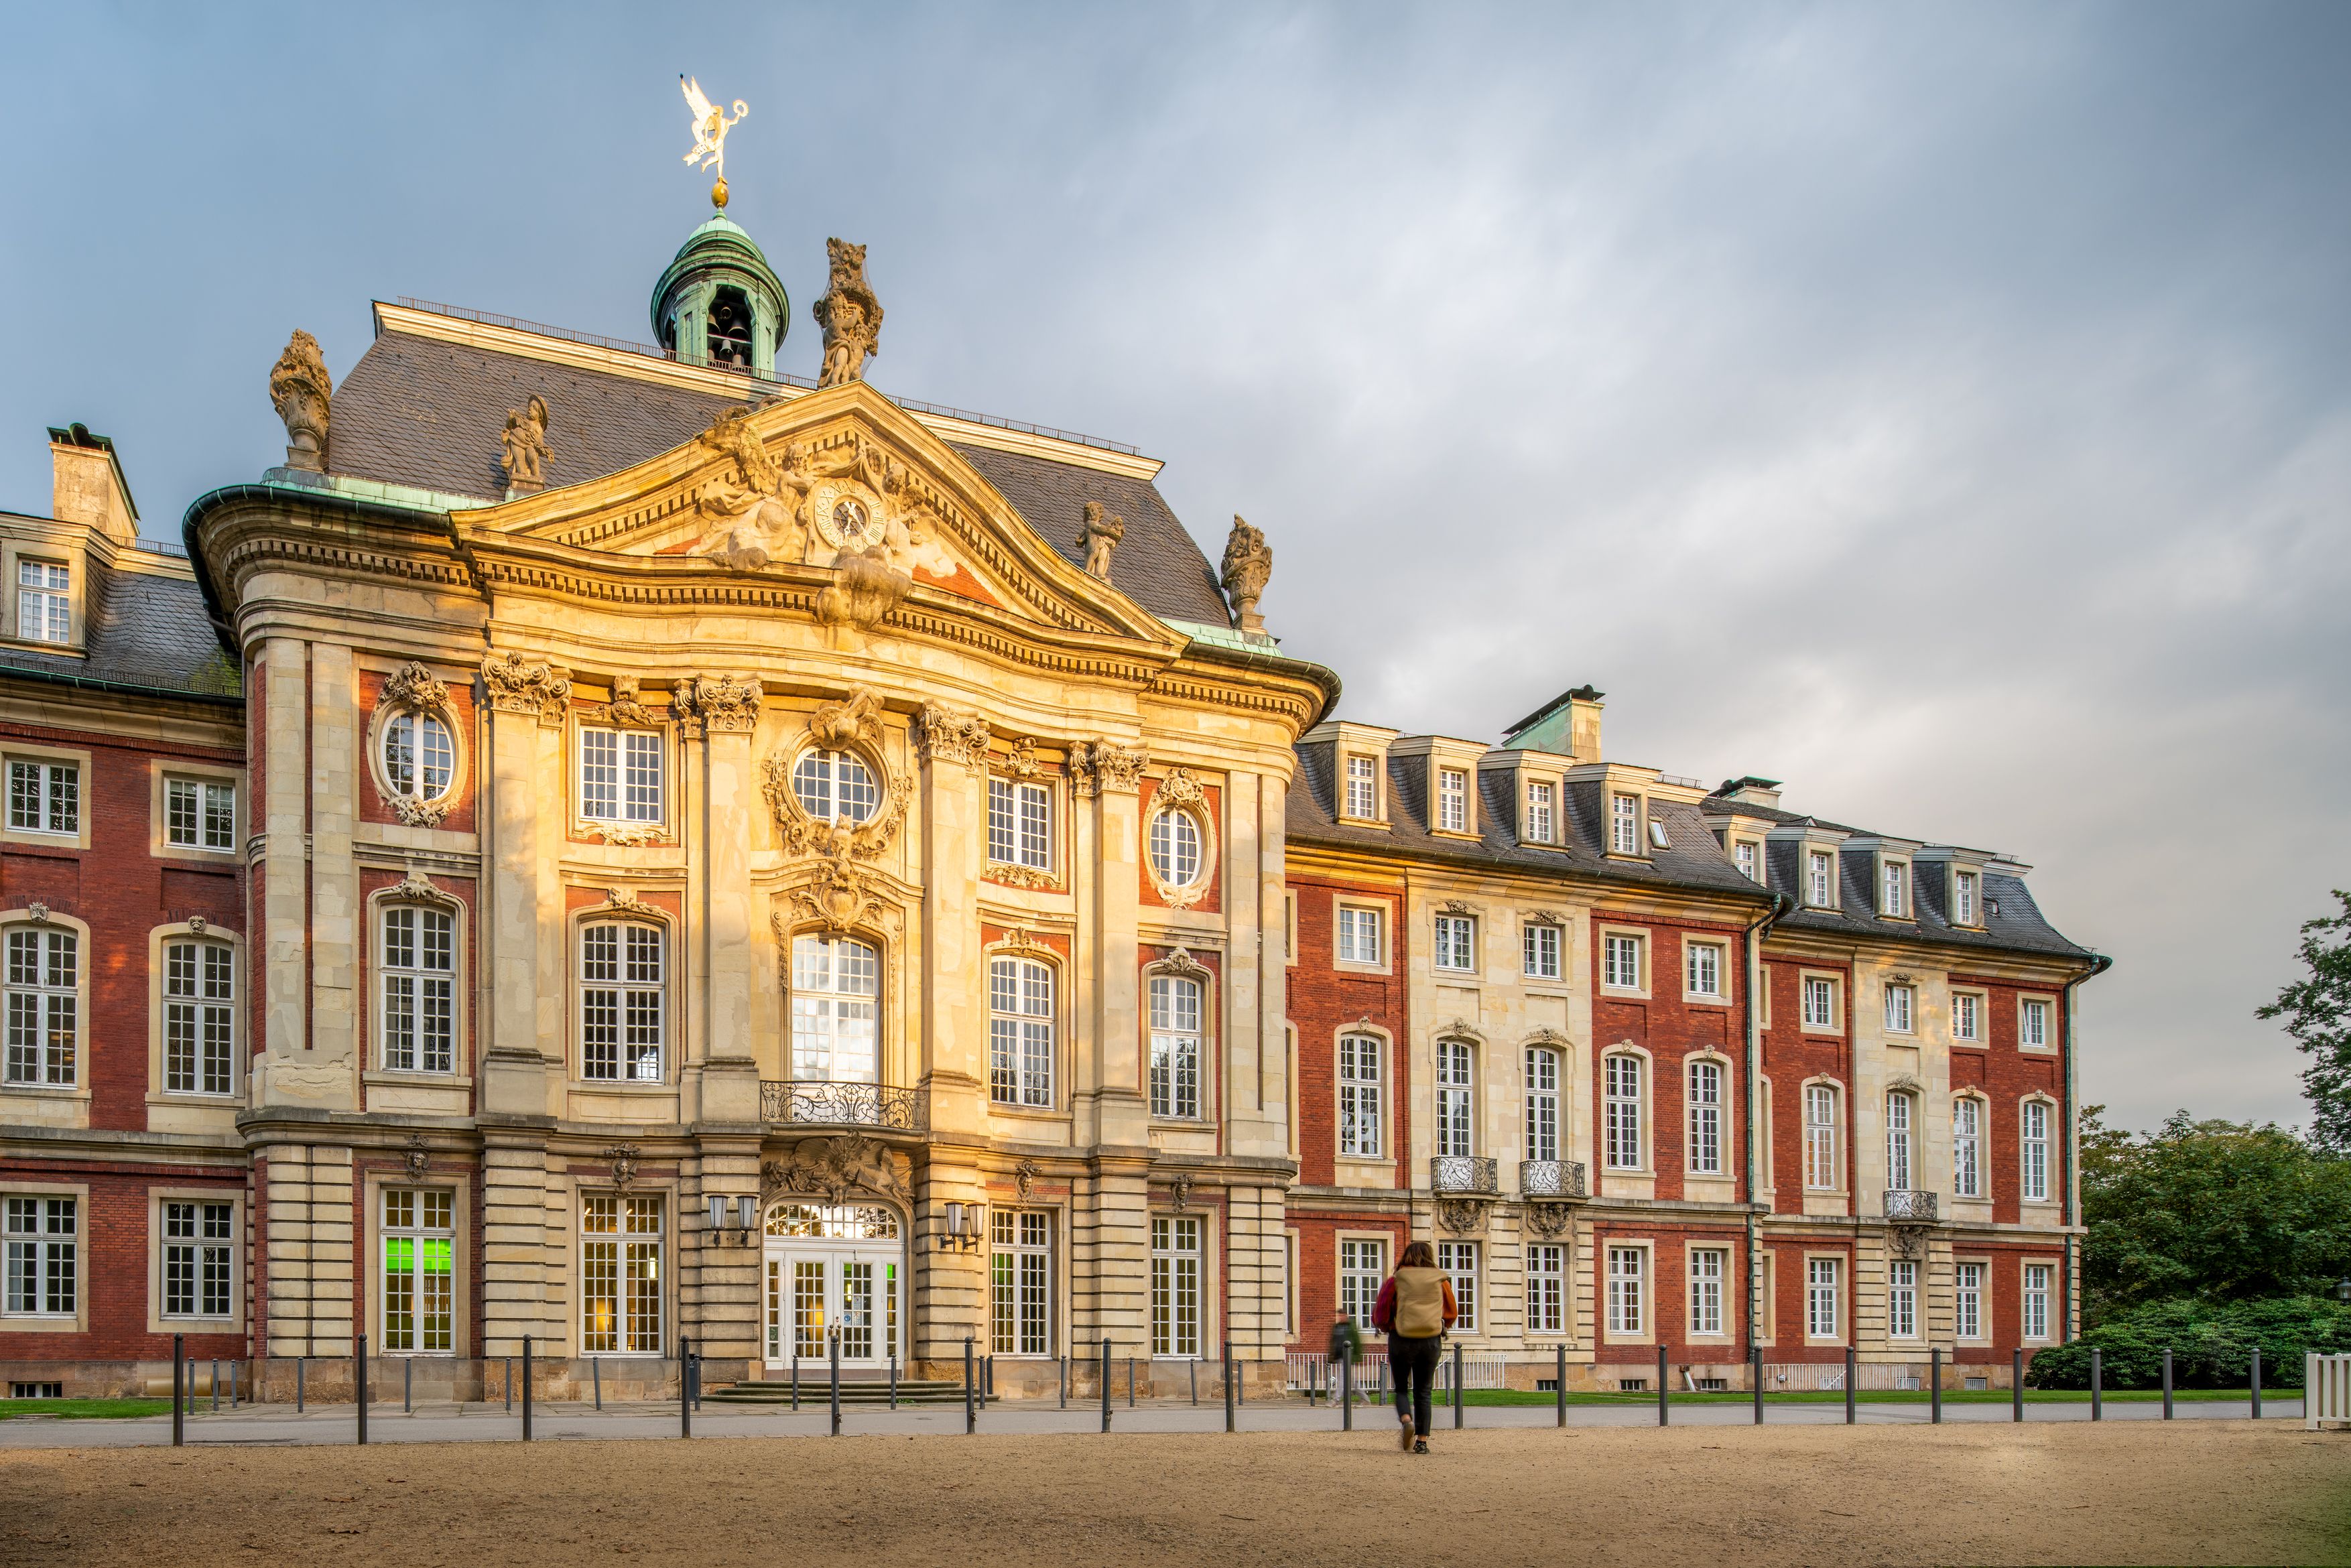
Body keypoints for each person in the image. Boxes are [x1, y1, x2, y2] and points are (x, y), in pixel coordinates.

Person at [1371, 1240, 1455, 1454]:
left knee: (1401, 1388)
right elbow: (1452, 1311)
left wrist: (1386, 1326)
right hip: (1430, 1340)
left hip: (1401, 1338)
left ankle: (1407, 1419)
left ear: (1405, 1257)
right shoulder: (1441, 1281)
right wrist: (1441, 1323)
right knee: (1424, 1391)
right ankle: (1422, 1442)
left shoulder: (1396, 1280)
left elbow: (1381, 1312)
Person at [1325, 1309, 1360, 1401]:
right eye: (1339, 1316)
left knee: (1343, 1378)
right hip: (1339, 1356)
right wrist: (1331, 1356)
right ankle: (1365, 1399)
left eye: (1342, 1316)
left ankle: (1335, 1400)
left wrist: (1357, 1357)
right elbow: (1333, 1341)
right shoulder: (1336, 1327)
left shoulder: (1351, 1327)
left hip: (1348, 1356)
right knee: (1351, 1380)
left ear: (1346, 1316)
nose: (1340, 1318)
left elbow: (1357, 1342)